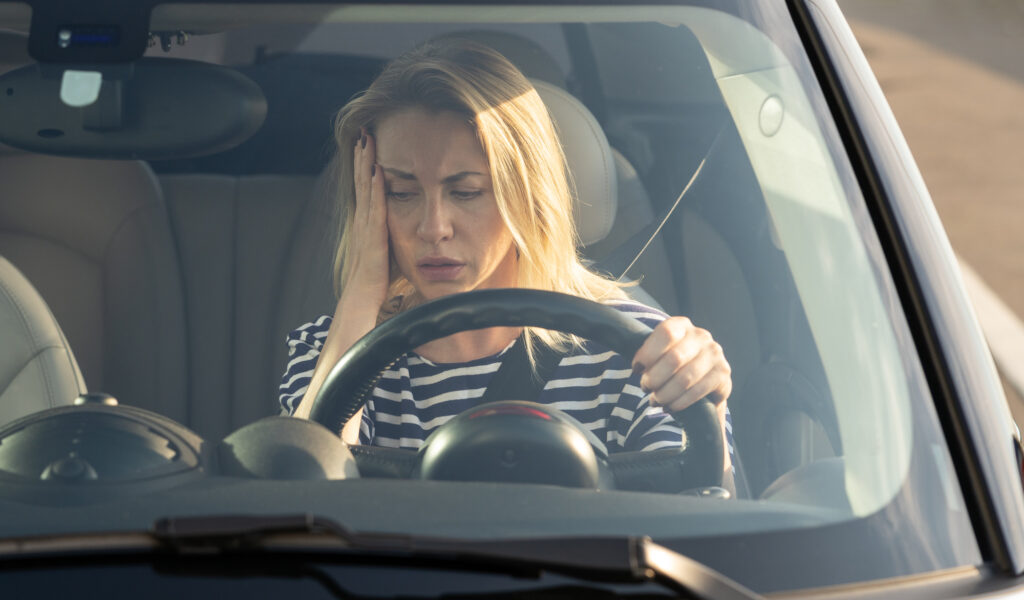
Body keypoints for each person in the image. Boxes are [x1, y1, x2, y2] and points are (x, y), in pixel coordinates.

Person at [279, 39, 734, 485]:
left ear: (527, 196)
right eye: (401, 192)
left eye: (466, 192)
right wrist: (362, 286)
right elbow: (305, 502)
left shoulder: (635, 350)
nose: (433, 226)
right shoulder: (334, 349)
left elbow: (704, 515)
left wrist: (700, 397)